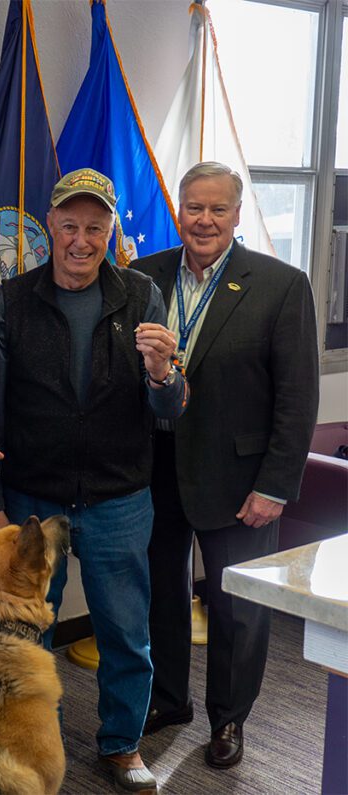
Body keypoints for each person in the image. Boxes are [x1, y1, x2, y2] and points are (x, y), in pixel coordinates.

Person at [0, 168, 188, 793]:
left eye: (96, 227)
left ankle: (121, 745)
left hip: (121, 499)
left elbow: (170, 409)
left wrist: (161, 375)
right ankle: (37, 747)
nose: (81, 240)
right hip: (33, 502)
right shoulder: (10, 301)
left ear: (111, 232)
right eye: (70, 225)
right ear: (51, 226)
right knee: (26, 636)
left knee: (125, 632)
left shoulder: (142, 295)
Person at [133, 161, 319, 769]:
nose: (204, 220)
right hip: (154, 468)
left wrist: (275, 485)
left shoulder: (281, 285)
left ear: (237, 215)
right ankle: (168, 699)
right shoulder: (142, 276)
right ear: (177, 210)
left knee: (237, 607)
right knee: (162, 593)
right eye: (193, 207)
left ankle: (229, 720)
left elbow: (298, 398)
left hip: (242, 479)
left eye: (218, 209)